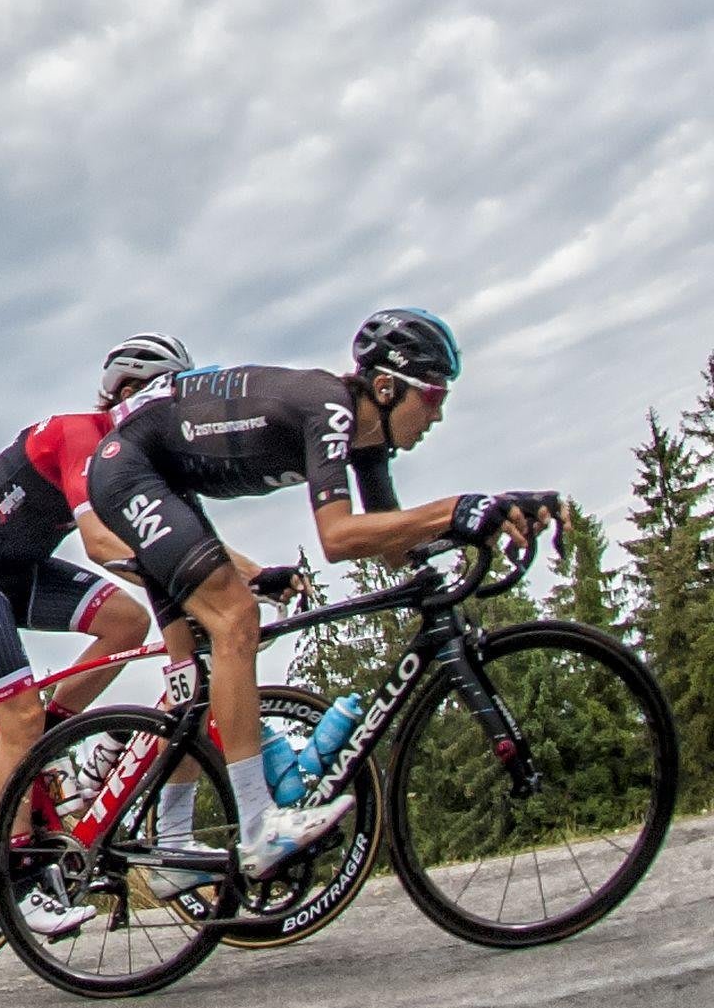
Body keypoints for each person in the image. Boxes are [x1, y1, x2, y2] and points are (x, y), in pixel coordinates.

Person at [86, 307, 559, 880]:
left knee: (204, 667)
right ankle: (258, 826)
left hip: (162, 474)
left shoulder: (368, 441)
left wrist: (484, 517)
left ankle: (174, 850)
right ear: (386, 386)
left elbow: (389, 545)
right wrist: (459, 509)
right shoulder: (329, 407)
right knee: (236, 618)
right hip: (127, 469)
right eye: (432, 397)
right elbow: (337, 537)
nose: (438, 414)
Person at [0, 336, 182, 938]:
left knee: (127, 622)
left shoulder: (130, 463)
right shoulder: (81, 436)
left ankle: (50, 733)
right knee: (20, 717)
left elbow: (173, 537)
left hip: (17, 568)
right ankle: (19, 881)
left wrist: (244, 580)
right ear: (125, 395)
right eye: (162, 393)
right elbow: (101, 545)